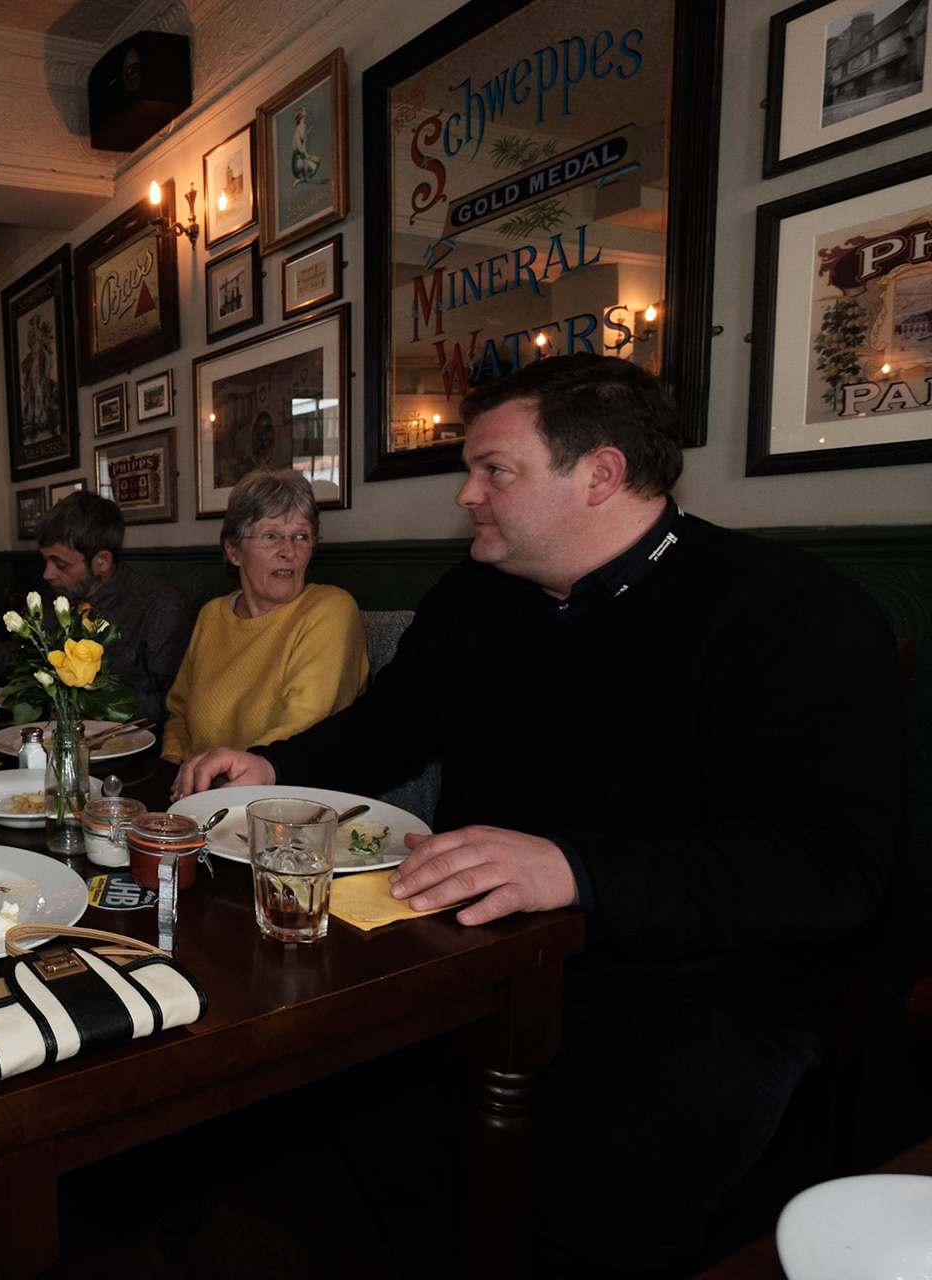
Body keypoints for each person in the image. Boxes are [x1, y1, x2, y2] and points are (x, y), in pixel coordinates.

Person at [175, 354, 906, 1275]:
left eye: (494, 470)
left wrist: (571, 868)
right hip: (481, 945)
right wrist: (276, 765)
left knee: (599, 1183)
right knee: (335, 1083)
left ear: (600, 474)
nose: (465, 495)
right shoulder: (476, 597)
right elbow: (390, 724)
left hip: (700, 985)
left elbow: (826, 869)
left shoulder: (792, 614)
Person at [159, 467, 367, 762]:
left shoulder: (330, 610)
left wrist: (221, 776)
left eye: (301, 536)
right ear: (234, 551)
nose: (289, 552)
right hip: (194, 786)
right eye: (271, 536)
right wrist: (172, 763)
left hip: (280, 786)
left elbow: (303, 729)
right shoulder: (212, 615)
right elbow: (179, 713)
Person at [0, 491, 189, 725]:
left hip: (127, 742)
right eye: (46, 561)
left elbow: (173, 704)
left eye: (60, 565)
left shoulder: (160, 607)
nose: (47, 574)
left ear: (102, 561)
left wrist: (83, 699)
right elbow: (21, 666)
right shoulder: (57, 599)